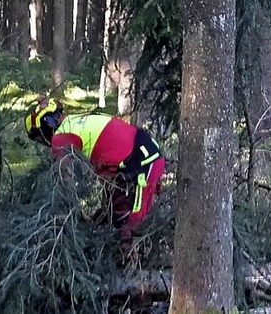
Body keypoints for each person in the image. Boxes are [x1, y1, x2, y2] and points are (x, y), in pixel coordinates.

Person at [24, 96, 165, 257]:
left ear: (45, 126)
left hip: (143, 163)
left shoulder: (61, 136)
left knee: (132, 223)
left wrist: (71, 216)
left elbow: (65, 182)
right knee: (112, 212)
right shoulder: (77, 121)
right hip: (136, 160)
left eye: (38, 137)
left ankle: (134, 265)